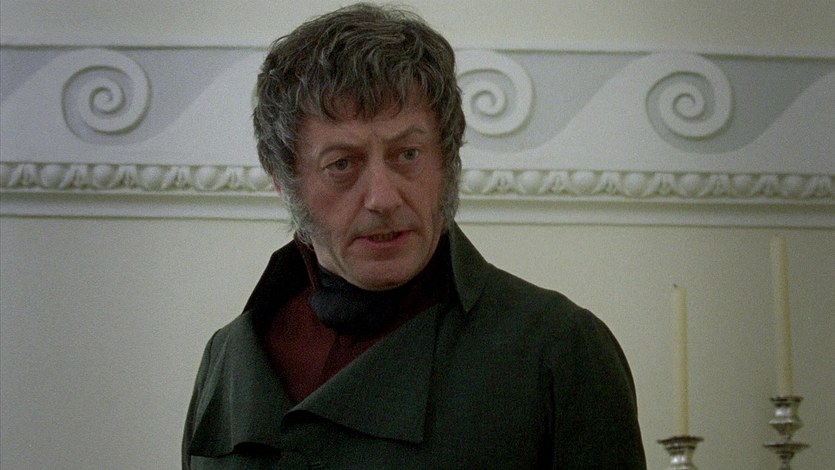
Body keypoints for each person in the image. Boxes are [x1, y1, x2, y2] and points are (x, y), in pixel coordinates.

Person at [182, 3, 646, 468]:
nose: (382, 198)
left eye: (407, 154)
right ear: (284, 182)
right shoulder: (230, 355)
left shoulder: (558, 349)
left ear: (448, 163)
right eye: (342, 164)